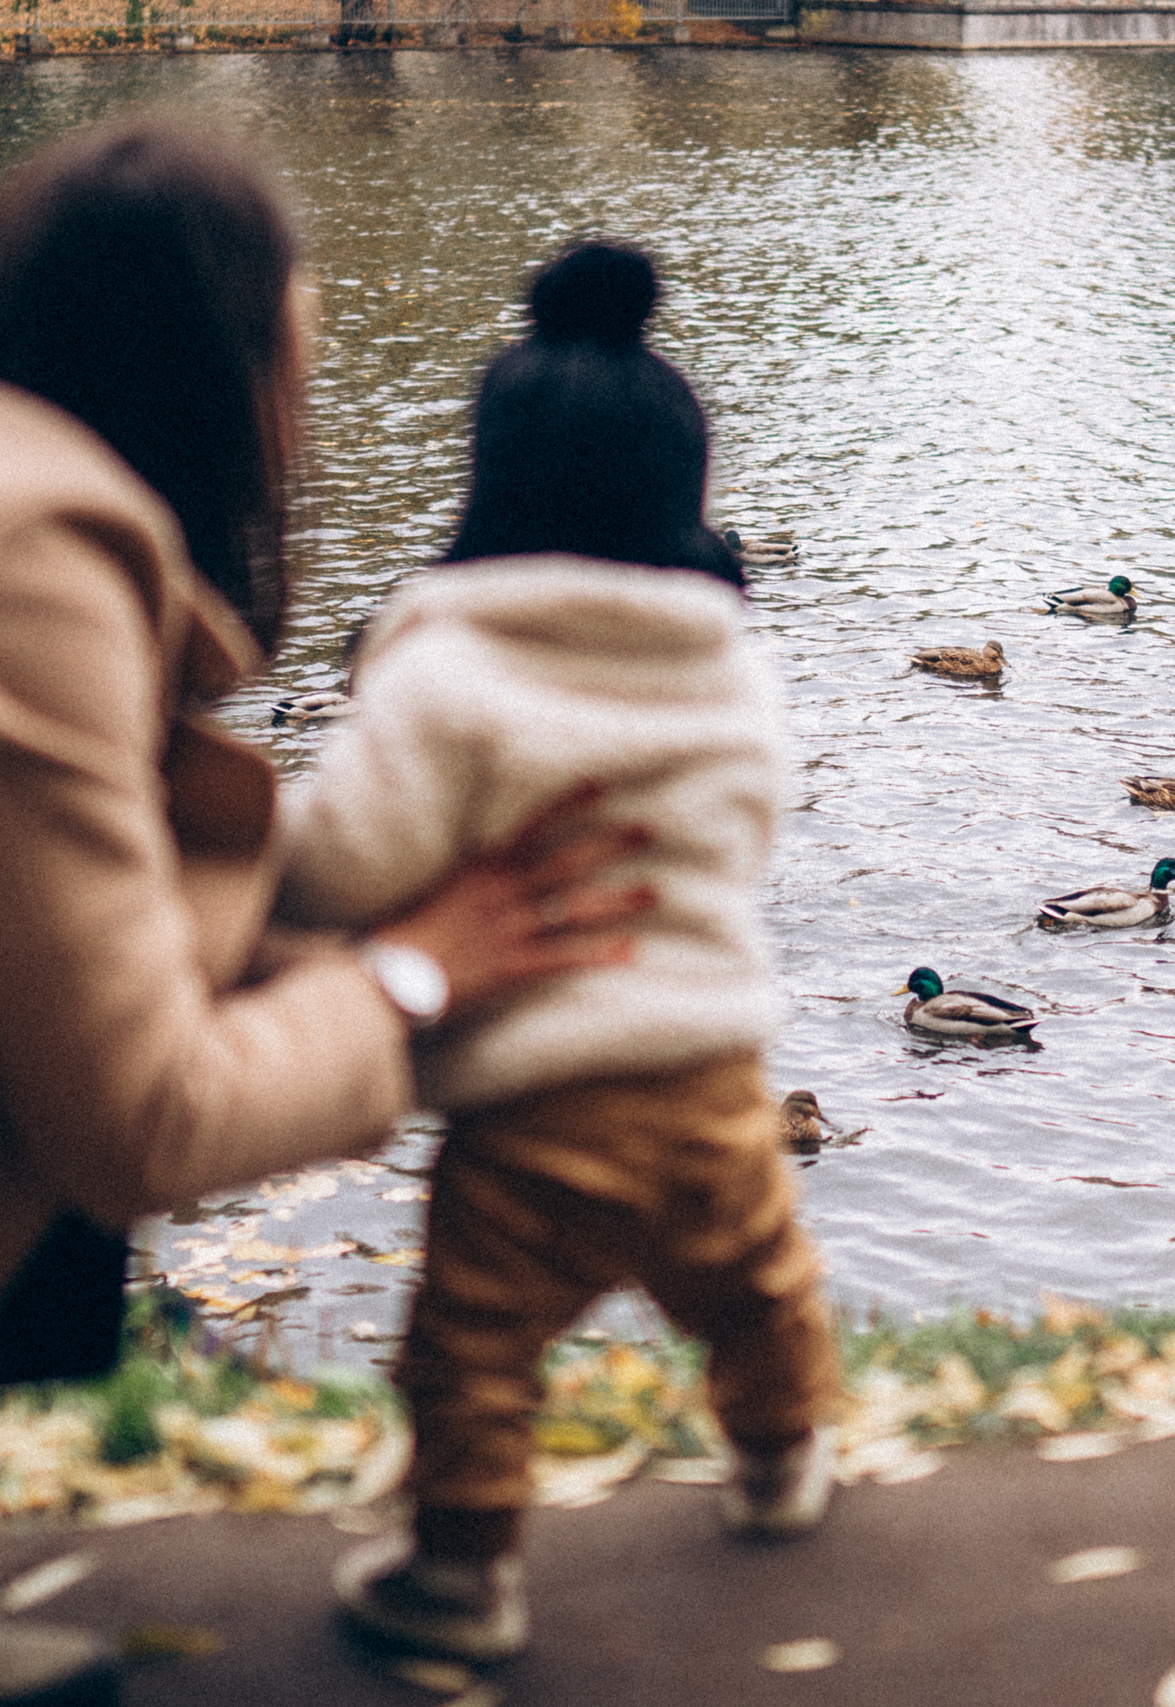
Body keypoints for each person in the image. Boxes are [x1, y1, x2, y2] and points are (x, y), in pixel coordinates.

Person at [0, 122, 649, 1707]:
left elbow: (90, 925)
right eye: (299, 355)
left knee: (49, 991)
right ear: (216, 370)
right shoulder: (15, 556)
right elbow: (137, 1117)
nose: (301, 426)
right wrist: (416, 978)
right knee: (83, 1050)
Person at [278, 242, 840, 1664]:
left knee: (473, 1348)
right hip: (713, 1069)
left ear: (491, 483)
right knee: (758, 1283)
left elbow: (348, 858)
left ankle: (461, 1575)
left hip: (533, 1103)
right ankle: (782, 1463)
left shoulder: (448, 669)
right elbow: (757, 819)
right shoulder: (729, 662)